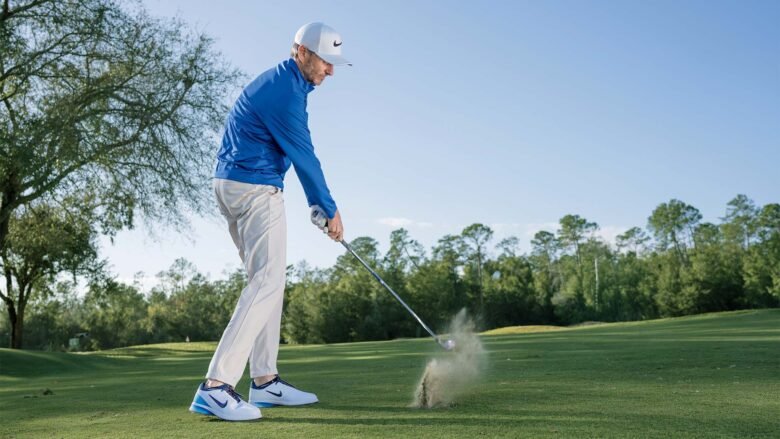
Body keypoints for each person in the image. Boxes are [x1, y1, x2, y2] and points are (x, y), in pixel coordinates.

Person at [188, 22, 350, 422]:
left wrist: (318, 205)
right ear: (302, 52)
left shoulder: (285, 83)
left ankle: (264, 381)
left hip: (232, 184)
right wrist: (328, 208)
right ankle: (215, 387)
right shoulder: (286, 93)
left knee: (267, 281)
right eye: (325, 61)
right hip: (254, 188)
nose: (330, 70)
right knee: (266, 281)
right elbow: (305, 156)